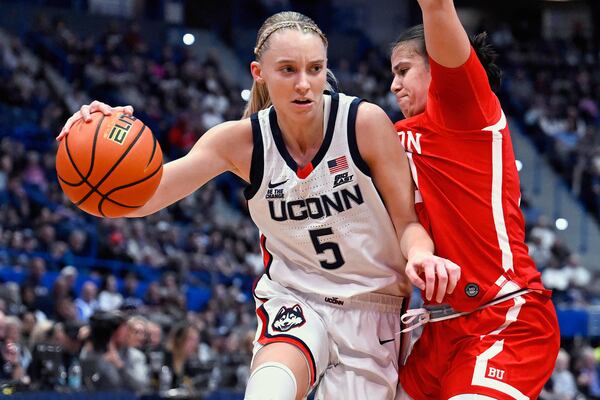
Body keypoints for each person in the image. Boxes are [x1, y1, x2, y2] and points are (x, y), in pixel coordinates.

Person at [58, 11, 460, 400]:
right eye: (287, 70)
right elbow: (143, 197)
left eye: (315, 69)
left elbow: (408, 223)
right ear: (259, 74)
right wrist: (95, 141)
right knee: (269, 390)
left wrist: (422, 256)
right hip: (297, 297)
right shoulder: (239, 142)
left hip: (374, 308)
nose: (304, 84)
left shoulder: (363, 124)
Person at [389, 1, 560, 399]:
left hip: (502, 315)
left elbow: (437, 7)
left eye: (403, 71)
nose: (394, 86)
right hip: (436, 331)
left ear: (439, 66)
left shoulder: (465, 109)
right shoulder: (393, 135)